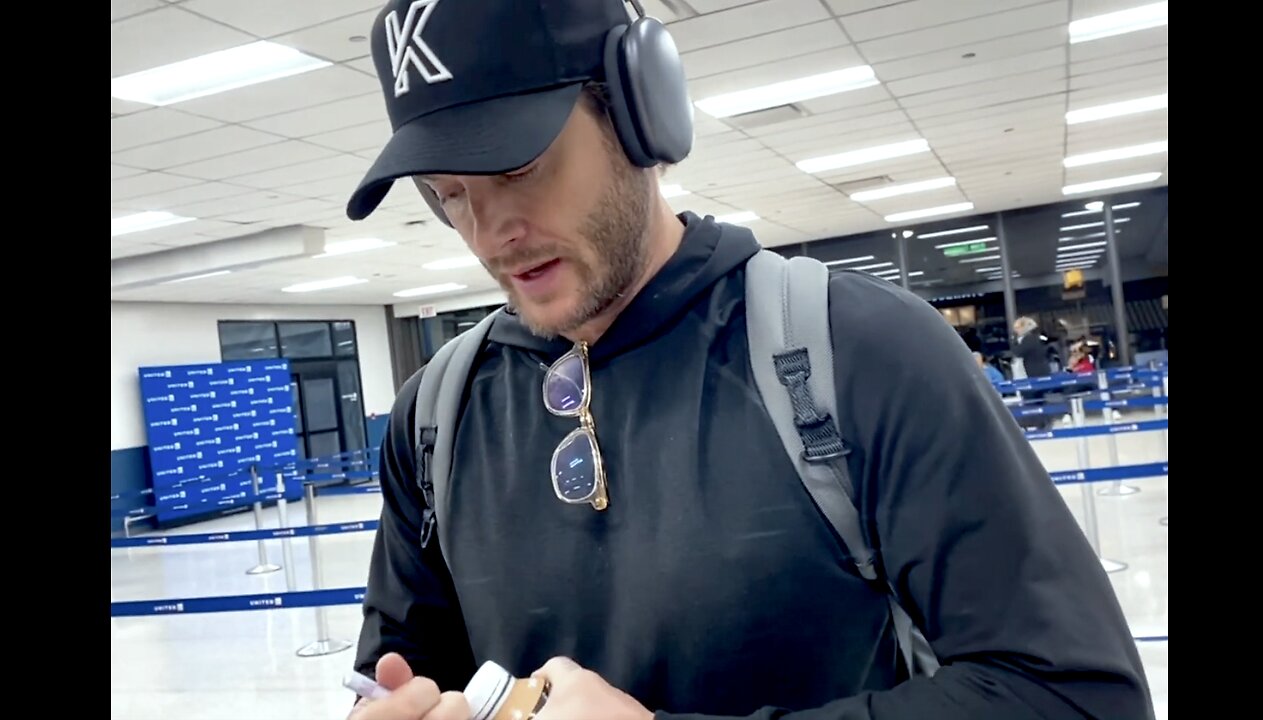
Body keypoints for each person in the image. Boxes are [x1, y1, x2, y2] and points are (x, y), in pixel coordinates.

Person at [341, 1, 1155, 718]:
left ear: (639, 117)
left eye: (516, 166)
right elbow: (409, 678)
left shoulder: (862, 350)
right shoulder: (435, 417)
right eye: (447, 193)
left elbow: (1075, 697)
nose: (488, 233)